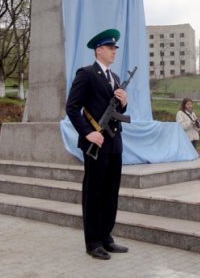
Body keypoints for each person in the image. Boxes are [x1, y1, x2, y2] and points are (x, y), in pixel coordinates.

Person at [65, 28, 129, 260]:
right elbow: (72, 107)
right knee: (94, 192)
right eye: (110, 48)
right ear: (98, 50)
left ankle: (106, 237)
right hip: (96, 143)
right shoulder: (86, 74)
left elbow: (117, 111)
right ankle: (93, 242)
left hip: (114, 143)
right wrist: (88, 133)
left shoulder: (115, 78)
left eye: (115, 48)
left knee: (111, 192)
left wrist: (124, 103)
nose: (114, 52)